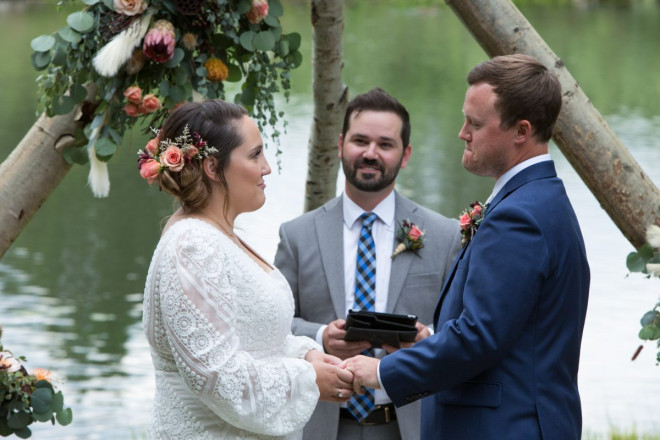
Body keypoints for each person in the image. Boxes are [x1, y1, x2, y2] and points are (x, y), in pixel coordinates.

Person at [345, 54, 591, 439]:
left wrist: (381, 373)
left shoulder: (520, 216)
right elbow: (511, 328)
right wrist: (433, 341)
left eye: (475, 123)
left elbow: (480, 338)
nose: (462, 132)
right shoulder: (540, 200)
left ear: (521, 131)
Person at [140, 100, 354, 439]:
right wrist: (307, 379)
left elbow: (251, 336)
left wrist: (307, 352)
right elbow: (216, 376)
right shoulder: (193, 245)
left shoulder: (217, 236)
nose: (266, 168)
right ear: (212, 166)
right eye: (255, 155)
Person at [274, 88, 462, 440]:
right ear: (341, 143)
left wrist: (427, 341)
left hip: (410, 424)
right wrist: (319, 337)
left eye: (385, 144)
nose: (370, 154)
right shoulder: (297, 235)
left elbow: (464, 332)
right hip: (323, 424)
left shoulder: (444, 234)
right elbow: (273, 327)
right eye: (360, 141)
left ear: (405, 155)